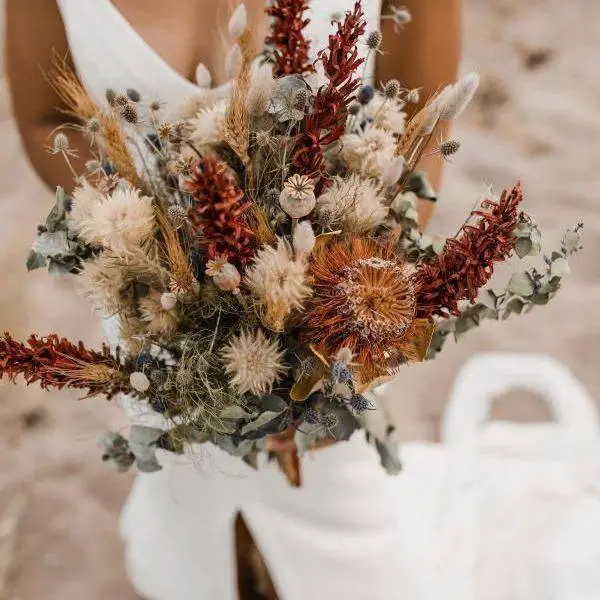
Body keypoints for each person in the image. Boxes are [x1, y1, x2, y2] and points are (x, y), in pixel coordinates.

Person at [6, 1, 462, 598]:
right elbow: (48, 118)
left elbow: (425, 121)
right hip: (157, 308)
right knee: (190, 510)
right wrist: (150, 237)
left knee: (350, 531)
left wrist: (346, 294)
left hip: (328, 301)